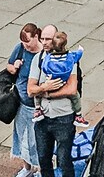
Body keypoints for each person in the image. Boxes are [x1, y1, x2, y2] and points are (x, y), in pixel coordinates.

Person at [28, 29, 80, 177]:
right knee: (44, 159)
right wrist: (44, 87)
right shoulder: (38, 59)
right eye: (42, 39)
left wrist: (47, 93)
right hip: (43, 118)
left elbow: (71, 89)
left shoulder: (68, 59)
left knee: (64, 161)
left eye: (48, 39)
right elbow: (30, 90)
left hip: (64, 117)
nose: (44, 42)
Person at [3, 23, 43, 177]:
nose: (25, 45)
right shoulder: (20, 49)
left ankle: (39, 168)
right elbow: (9, 66)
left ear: (36, 37)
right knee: (21, 136)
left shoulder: (43, 54)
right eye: (23, 42)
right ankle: (27, 167)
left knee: (36, 140)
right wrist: (15, 66)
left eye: (28, 41)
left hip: (37, 106)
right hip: (21, 102)